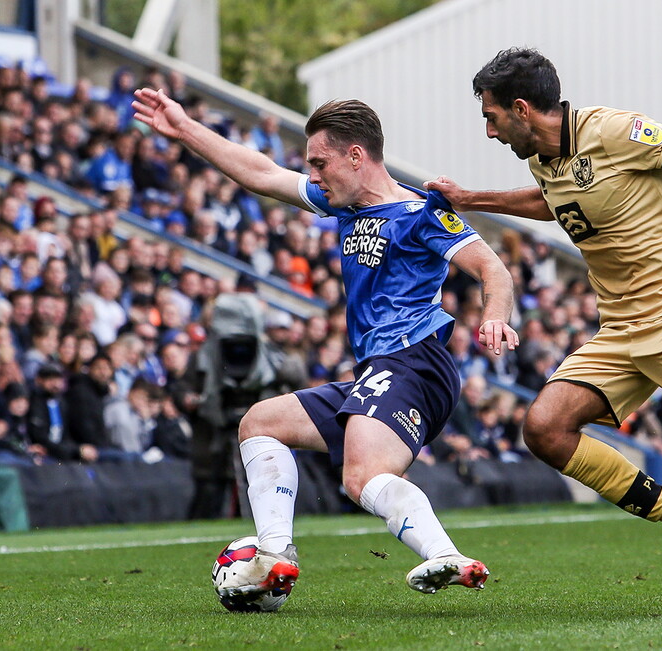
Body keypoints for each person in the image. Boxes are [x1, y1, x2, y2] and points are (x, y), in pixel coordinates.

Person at [425, 47, 662, 618]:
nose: (489, 130)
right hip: (623, 321)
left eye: (492, 116)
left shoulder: (616, 131)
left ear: (522, 110)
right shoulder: (542, 159)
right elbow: (556, 202)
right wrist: (474, 199)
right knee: (545, 427)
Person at [134, 89, 519, 600]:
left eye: (320, 162)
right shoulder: (343, 206)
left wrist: (494, 317)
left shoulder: (422, 213)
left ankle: (445, 555)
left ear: (356, 156)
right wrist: (184, 129)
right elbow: (262, 173)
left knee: (361, 476)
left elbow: (493, 269)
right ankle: (275, 556)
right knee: (260, 424)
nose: (312, 175)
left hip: (415, 361)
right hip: (379, 371)